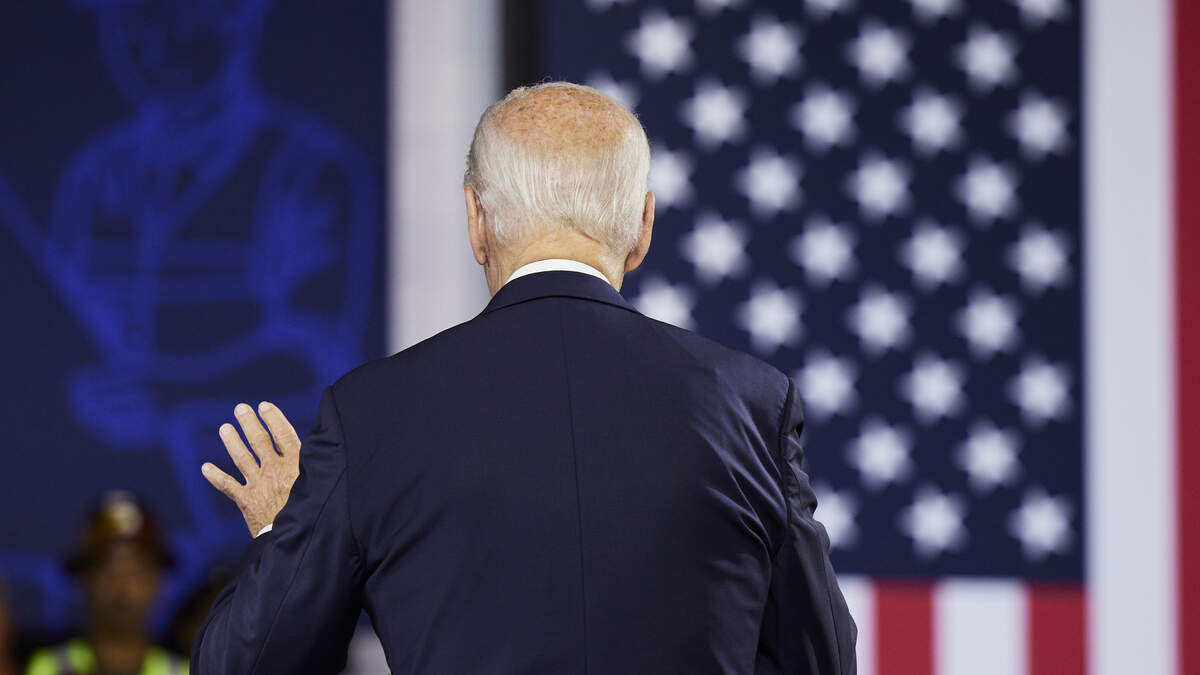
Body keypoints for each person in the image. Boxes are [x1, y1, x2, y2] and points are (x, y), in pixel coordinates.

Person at [192, 81, 856, 674]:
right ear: (642, 225)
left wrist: (283, 535)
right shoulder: (752, 404)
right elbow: (823, 657)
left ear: (476, 219)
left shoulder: (370, 414)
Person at [27, 491, 188, 675]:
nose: (122, 587)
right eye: (107, 570)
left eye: (136, 572)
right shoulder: (50, 667)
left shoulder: (184, 671)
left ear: (158, 581)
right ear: (84, 579)